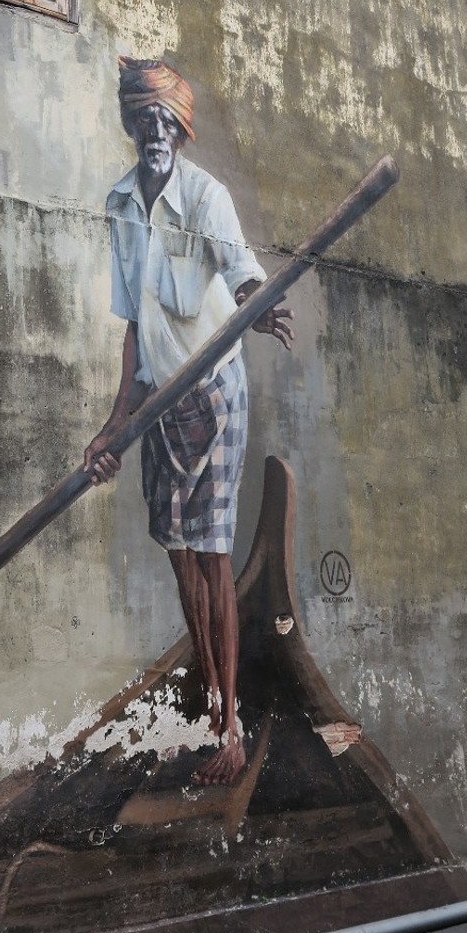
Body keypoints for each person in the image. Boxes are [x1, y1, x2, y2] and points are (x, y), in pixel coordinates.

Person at [84, 57, 294, 786]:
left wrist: (259, 309)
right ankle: (210, 714)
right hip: (158, 409)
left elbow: (244, 282)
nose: (154, 131)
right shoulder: (119, 205)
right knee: (180, 561)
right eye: (143, 119)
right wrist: (116, 425)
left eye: (165, 120)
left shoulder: (207, 198)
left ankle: (229, 732)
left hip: (213, 396)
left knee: (211, 560)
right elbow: (134, 330)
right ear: (131, 125)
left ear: (182, 127)